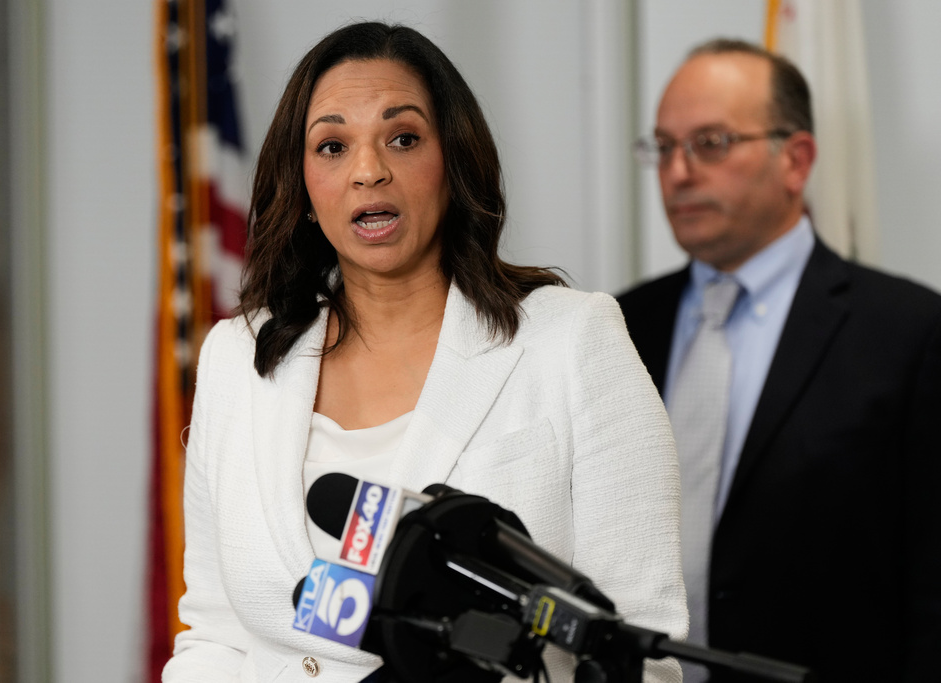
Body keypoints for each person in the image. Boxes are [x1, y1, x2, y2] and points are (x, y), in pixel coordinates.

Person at [163, 21, 687, 683]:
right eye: (332, 145)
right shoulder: (237, 360)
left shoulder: (572, 341)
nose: (368, 170)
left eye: (403, 138)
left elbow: (642, 652)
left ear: (453, 160)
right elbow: (213, 634)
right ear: (302, 190)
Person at [618, 38, 941, 683]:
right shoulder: (620, 325)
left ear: (796, 160)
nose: (677, 173)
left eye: (709, 143)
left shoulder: (908, 334)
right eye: (664, 147)